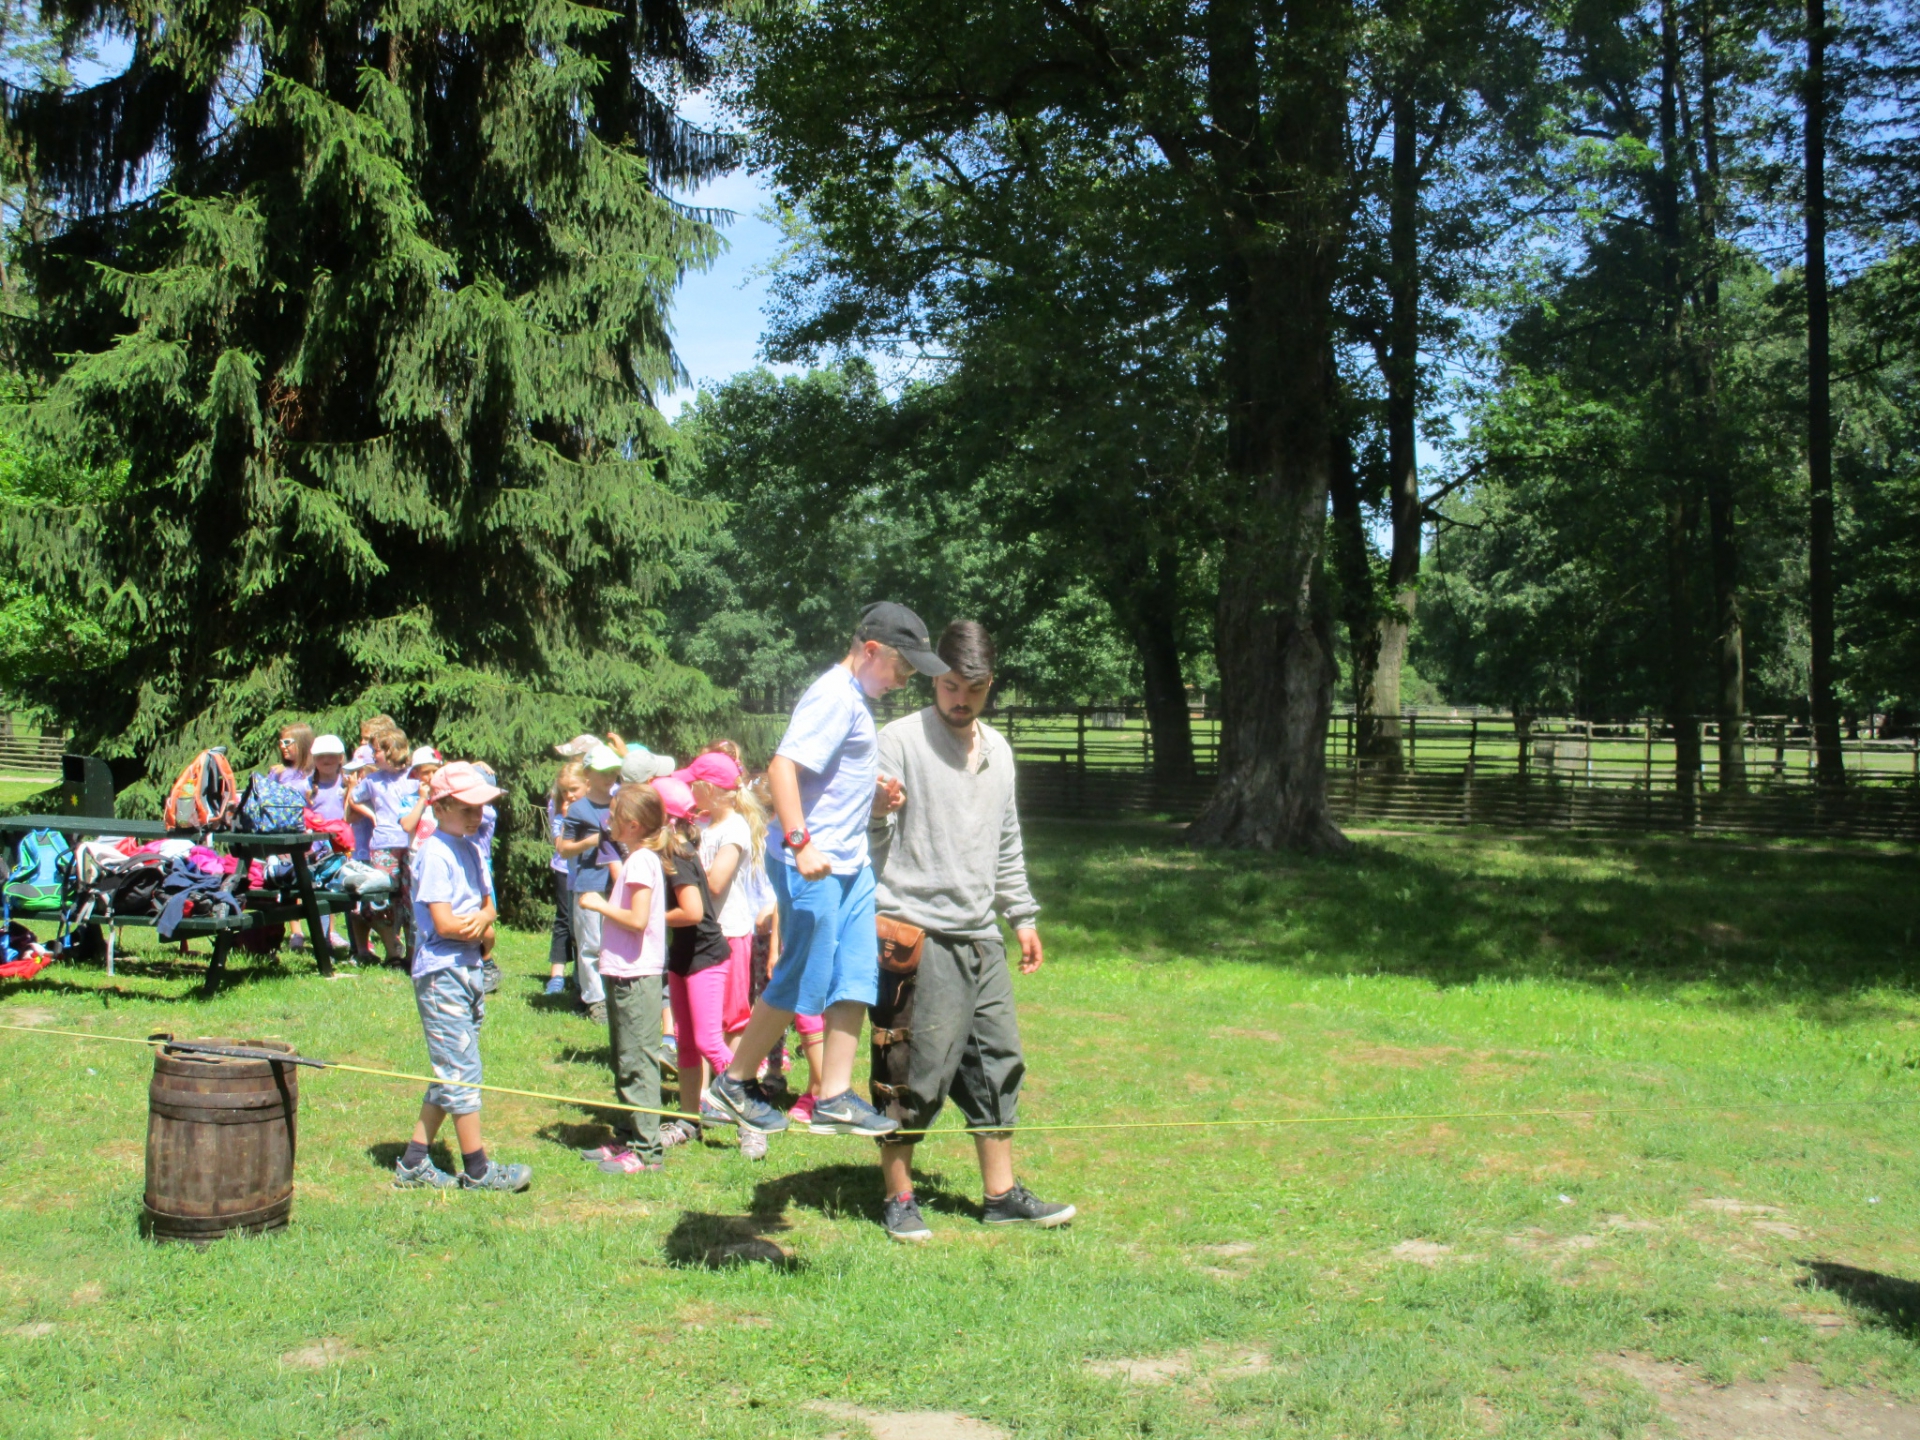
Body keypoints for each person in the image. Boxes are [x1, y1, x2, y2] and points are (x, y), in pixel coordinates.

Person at [705, 602, 947, 1137]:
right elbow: (782, 768)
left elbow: (831, 782)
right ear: (871, 650)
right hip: (812, 865)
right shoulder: (833, 695)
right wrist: (801, 843)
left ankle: (833, 1096)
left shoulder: (857, 698)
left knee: (857, 975)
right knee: (802, 977)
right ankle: (734, 1082)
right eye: (902, 668)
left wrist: (874, 800)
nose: (903, 681)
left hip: (850, 863)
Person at [866, 620, 1074, 1242]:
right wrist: (876, 811)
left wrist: (1022, 914)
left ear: (991, 684)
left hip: (982, 935)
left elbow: (1006, 840)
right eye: (951, 686)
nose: (961, 700)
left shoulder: (999, 750)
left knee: (998, 1063)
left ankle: (1001, 1196)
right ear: (934, 678)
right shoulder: (898, 741)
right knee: (911, 1068)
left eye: (975, 690)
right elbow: (868, 843)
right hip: (915, 932)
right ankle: (899, 1197)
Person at [391, 761, 531, 1193]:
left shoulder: (470, 848)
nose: (478, 816)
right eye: (468, 809)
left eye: (481, 808)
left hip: (468, 968)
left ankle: (413, 1162)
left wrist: (484, 923)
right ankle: (477, 1170)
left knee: (450, 1066)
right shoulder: (435, 853)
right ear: (441, 807)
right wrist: (480, 927)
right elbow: (445, 922)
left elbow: (489, 908)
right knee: (461, 1071)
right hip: (442, 973)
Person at [652, 776, 765, 1157]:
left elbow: (693, 911)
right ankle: (688, 1121)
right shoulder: (666, 850)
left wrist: (648, 917)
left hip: (706, 955)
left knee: (709, 1041)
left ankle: (754, 1118)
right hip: (682, 955)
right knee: (685, 1042)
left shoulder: (678, 855)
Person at [575, 783, 671, 1175]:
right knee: (623, 1058)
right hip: (622, 972)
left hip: (636, 977)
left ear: (632, 824)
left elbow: (638, 919)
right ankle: (628, 1137)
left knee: (637, 1062)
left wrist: (599, 904)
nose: (607, 820)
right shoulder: (636, 859)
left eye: (613, 815)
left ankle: (647, 1152)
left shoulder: (641, 861)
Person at [556, 744, 621, 1023]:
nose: (609, 777)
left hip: (619, 883)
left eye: (613, 771)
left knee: (616, 943)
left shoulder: (621, 802)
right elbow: (564, 849)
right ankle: (595, 1000)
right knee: (591, 944)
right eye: (603, 771)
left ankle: (616, 994)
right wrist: (591, 841)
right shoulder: (579, 809)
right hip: (590, 882)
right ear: (588, 774)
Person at [353, 726, 418, 965]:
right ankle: (393, 952)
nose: (373, 756)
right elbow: (354, 798)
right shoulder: (372, 780)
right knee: (381, 898)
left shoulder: (413, 776)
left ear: (391, 751)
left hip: (410, 844)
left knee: (410, 897)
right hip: (383, 845)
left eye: (376, 751)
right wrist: (371, 815)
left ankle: (412, 954)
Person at [544, 761, 587, 997]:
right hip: (564, 869)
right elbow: (559, 845)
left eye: (573, 789)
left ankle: (583, 977)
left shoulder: (597, 806)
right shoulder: (558, 807)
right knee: (564, 920)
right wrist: (567, 817)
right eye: (564, 791)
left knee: (585, 926)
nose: (568, 795)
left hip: (588, 872)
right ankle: (556, 975)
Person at [271, 723, 315, 787]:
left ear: (302, 743)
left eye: (287, 742)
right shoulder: (277, 772)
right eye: (281, 743)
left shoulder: (318, 771)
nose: (282, 746)